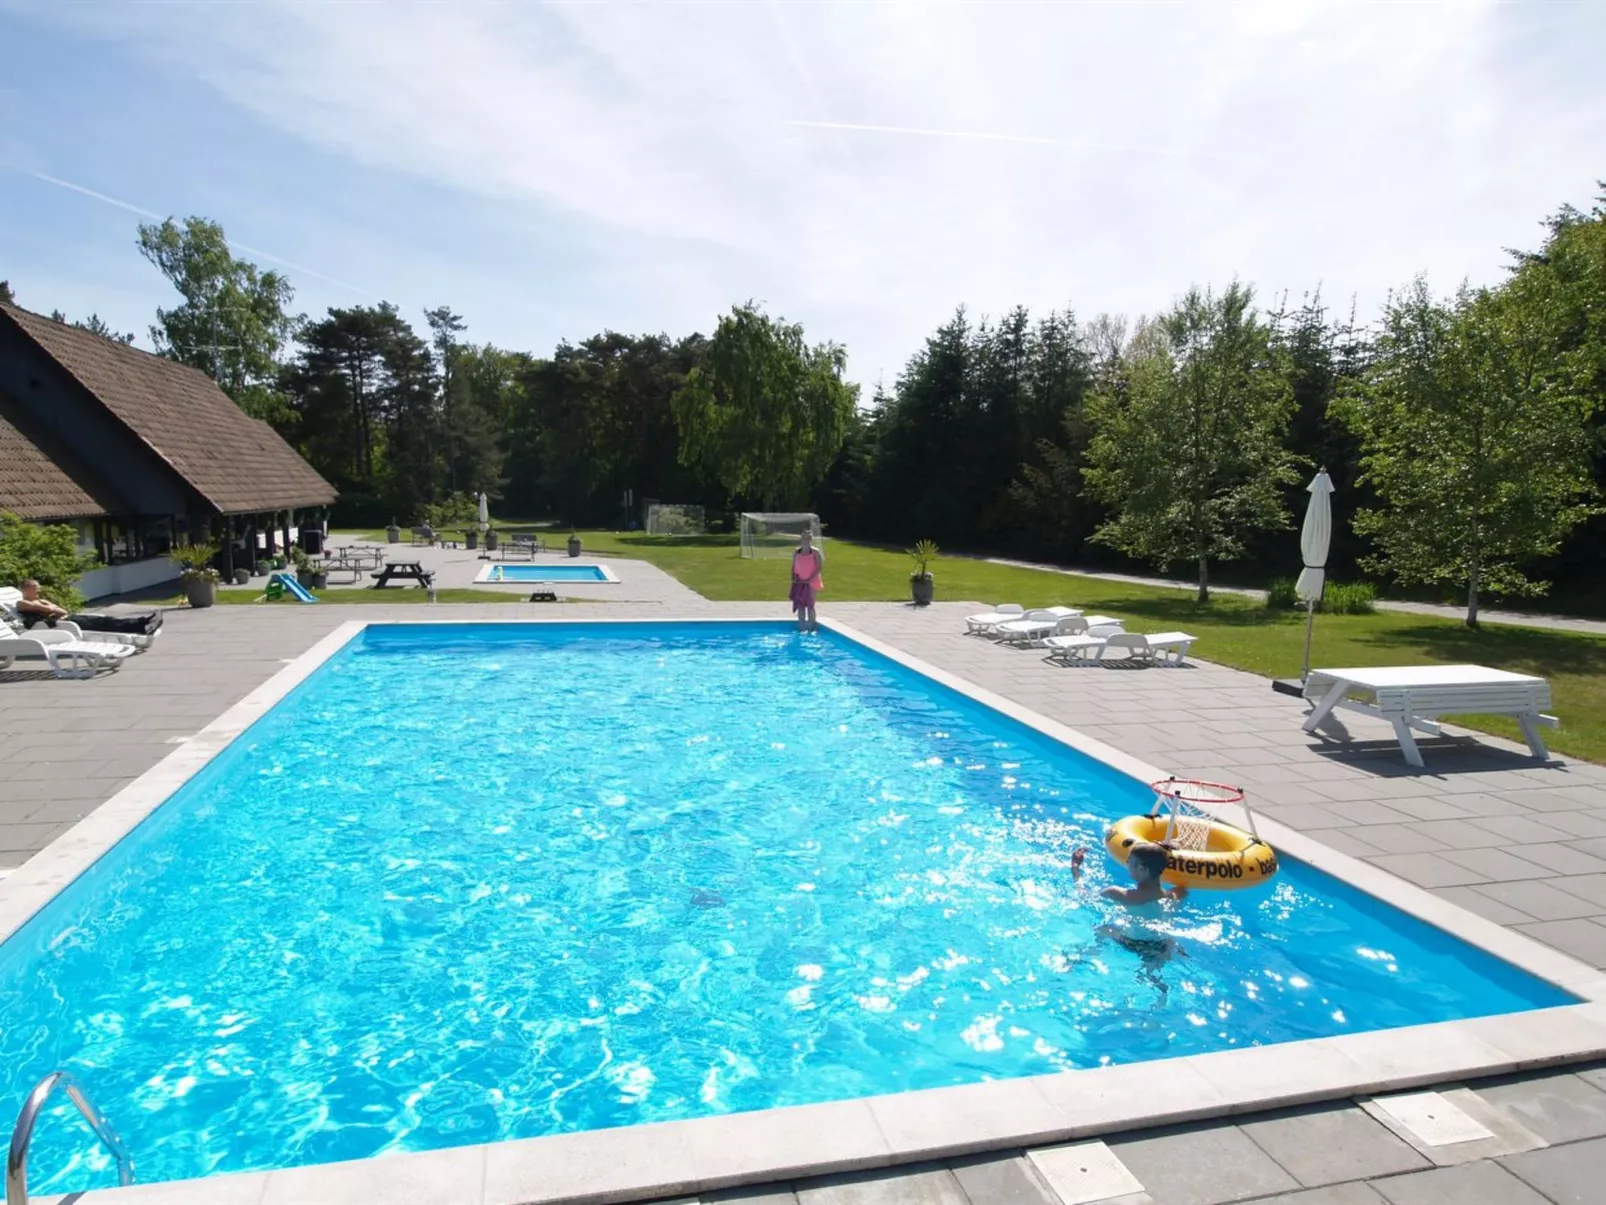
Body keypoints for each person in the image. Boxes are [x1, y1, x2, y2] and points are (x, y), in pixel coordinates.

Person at [1067, 841, 1188, 994]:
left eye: (1129, 861)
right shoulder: (1174, 895)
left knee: (1103, 928)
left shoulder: (1120, 895)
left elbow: (1084, 897)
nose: (1126, 864)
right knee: (1154, 979)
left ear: (1142, 869)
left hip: (1132, 942)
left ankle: (1093, 951)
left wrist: (1075, 867)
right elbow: (1183, 889)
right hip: (1161, 946)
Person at [790, 530, 825, 633]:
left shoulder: (815, 552)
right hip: (799, 581)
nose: (806, 540)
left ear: (811, 540)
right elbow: (793, 566)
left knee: (810, 605)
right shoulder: (797, 551)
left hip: (812, 582)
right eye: (805, 538)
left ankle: (812, 628)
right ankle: (802, 628)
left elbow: (819, 567)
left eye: (809, 538)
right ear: (801, 539)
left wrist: (810, 579)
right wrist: (793, 577)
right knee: (800, 606)